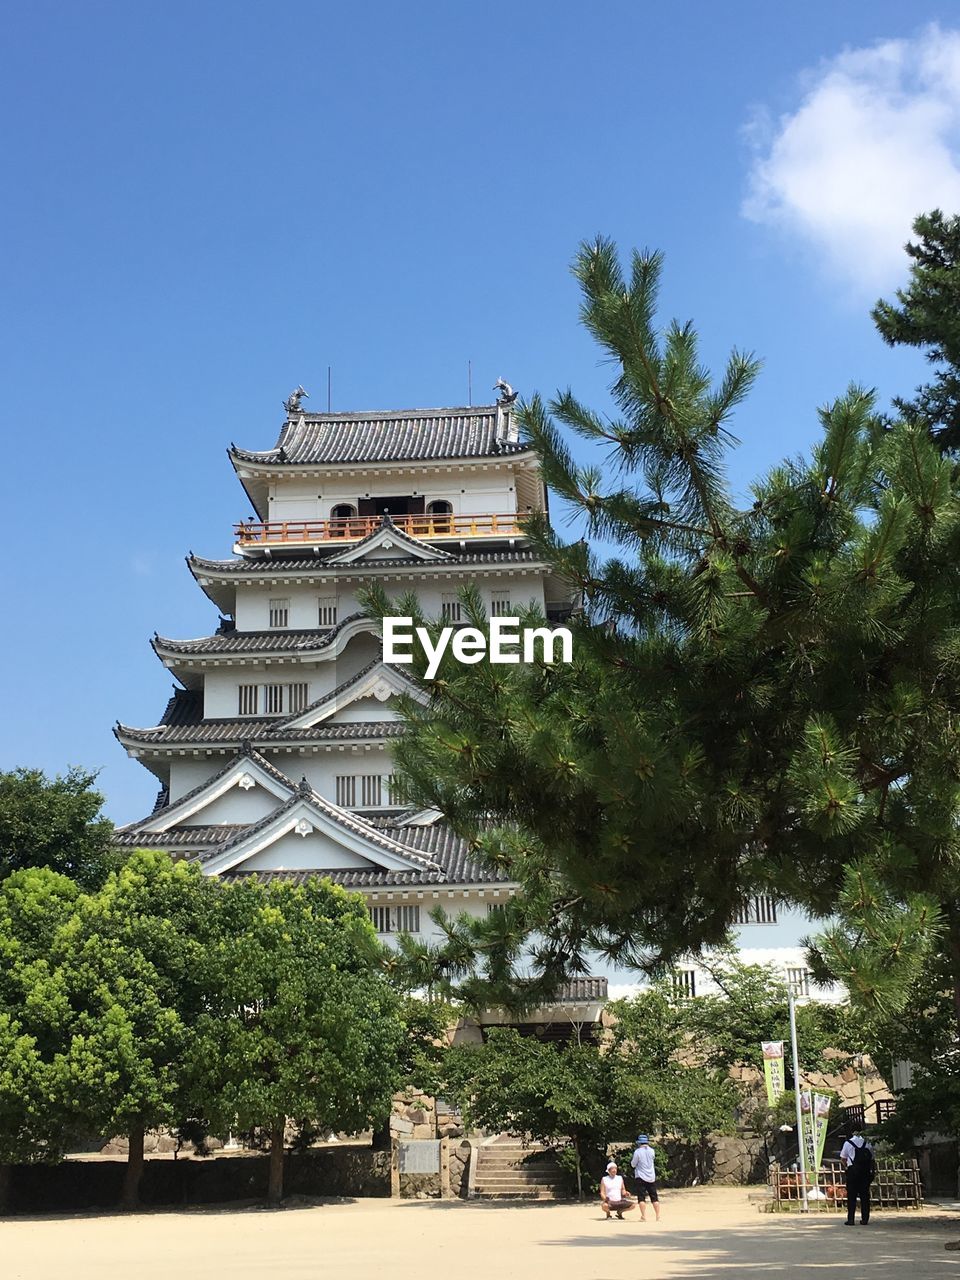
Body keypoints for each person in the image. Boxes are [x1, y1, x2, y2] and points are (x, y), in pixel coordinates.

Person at [840, 1128, 875, 1225]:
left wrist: (847, 1167)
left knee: (851, 1196)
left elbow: (843, 1158)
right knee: (865, 1196)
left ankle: (851, 1219)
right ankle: (865, 1219)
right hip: (865, 1172)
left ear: (852, 1132)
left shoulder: (848, 1143)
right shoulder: (867, 1143)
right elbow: (872, 1158)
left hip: (853, 1172)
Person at [630, 1134, 661, 1221]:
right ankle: (658, 1215)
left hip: (641, 1176)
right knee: (654, 1197)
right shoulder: (652, 1151)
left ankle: (643, 1216)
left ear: (639, 1143)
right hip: (651, 1176)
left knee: (641, 1197)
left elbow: (633, 1164)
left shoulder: (637, 1152)